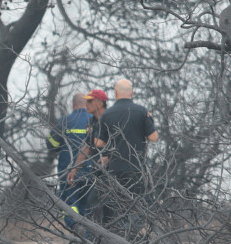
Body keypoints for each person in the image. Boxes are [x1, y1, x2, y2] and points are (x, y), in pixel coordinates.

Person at [95, 79, 158, 232]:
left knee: (119, 206)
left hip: (115, 168)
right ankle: (130, 235)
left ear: (115, 93)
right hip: (136, 167)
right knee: (137, 205)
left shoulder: (107, 114)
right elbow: (153, 137)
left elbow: (98, 143)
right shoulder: (141, 111)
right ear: (132, 93)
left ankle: (121, 238)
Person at [46, 93, 92, 229]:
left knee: (69, 203)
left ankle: (76, 227)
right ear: (87, 104)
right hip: (91, 170)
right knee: (87, 205)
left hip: (68, 170)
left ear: (73, 104)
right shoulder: (94, 121)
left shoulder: (64, 121)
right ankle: (88, 239)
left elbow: (51, 144)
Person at [66, 89, 109, 224]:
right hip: (97, 173)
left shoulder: (110, 120)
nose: (87, 104)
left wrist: (109, 157)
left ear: (100, 103)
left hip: (113, 174)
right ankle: (93, 242)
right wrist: (75, 169)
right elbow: (87, 148)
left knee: (105, 209)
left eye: (90, 101)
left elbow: (121, 144)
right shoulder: (91, 123)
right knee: (92, 208)